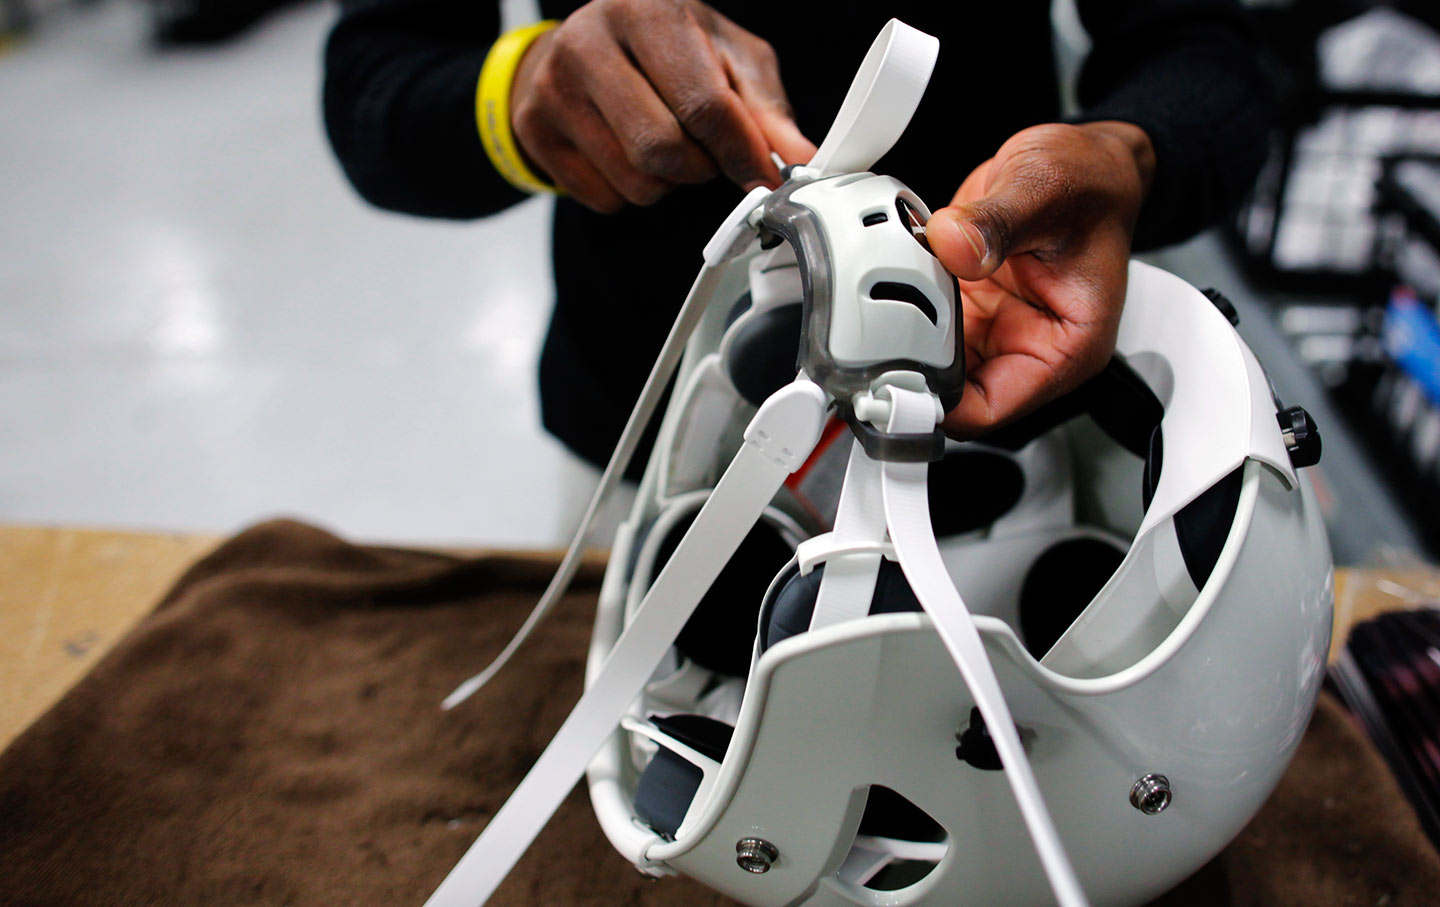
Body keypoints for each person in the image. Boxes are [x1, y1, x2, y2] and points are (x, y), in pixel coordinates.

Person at [323, 0, 1270, 469]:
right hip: (655, 451)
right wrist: (525, 93)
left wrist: (1122, 154)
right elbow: (371, 85)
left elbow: (1202, 51)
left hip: (1001, 399)